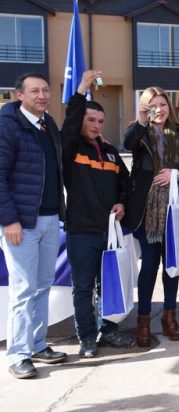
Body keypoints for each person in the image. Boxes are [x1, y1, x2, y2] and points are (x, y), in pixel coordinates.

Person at [62, 70, 134, 357]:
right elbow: (69, 124)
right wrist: (81, 90)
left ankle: (109, 331)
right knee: (83, 289)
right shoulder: (69, 148)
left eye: (100, 121)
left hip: (109, 233)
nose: (95, 125)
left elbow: (125, 184)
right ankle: (87, 338)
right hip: (81, 231)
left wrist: (122, 203)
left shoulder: (112, 153)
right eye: (90, 120)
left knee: (108, 287)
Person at [1, 73, 67, 379]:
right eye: (34, 91)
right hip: (22, 224)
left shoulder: (48, 124)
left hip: (51, 218)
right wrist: (9, 219)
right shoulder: (8, 126)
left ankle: (38, 344)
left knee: (42, 285)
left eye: (46, 90)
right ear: (19, 96)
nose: (42, 95)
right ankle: (18, 353)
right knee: (24, 289)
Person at [123, 87, 179, 347]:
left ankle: (169, 316)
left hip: (174, 207)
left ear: (170, 107)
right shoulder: (139, 131)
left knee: (172, 264)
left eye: (163, 104)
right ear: (145, 107)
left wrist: (174, 174)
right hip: (146, 210)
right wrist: (141, 120)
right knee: (150, 264)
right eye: (152, 104)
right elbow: (128, 143)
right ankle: (143, 320)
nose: (159, 109)